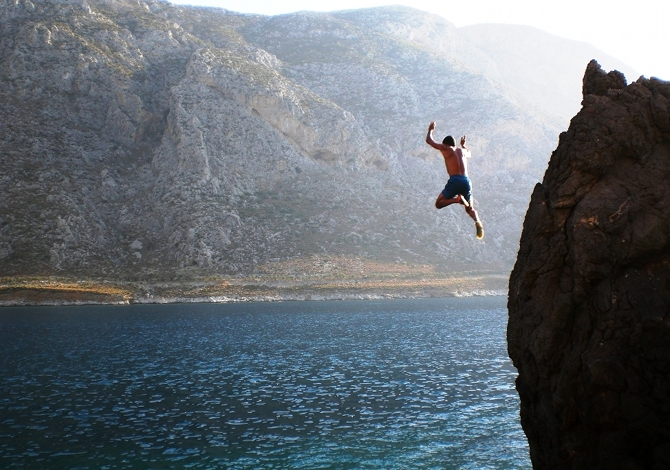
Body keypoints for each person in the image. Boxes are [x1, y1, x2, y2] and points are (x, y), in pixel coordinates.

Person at [426, 121, 484, 239]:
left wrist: (430, 130)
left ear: (446, 144)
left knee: (438, 203)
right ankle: (477, 221)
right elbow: (469, 153)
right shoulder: (462, 151)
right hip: (466, 181)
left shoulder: (447, 149)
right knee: (470, 208)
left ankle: (457, 200)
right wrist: (463, 145)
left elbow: (429, 141)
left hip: (455, 180)